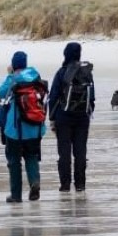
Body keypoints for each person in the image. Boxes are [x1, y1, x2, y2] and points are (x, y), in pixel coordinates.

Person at [0, 51, 46, 203]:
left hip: (15, 130)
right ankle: (34, 182)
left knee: (14, 161)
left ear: (14, 64)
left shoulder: (14, 79)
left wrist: (10, 75)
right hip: (35, 128)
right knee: (31, 157)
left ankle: (16, 195)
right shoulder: (35, 77)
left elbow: (0, 92)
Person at [48, 42, 95, 192]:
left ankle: (65, 184)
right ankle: (80, 184)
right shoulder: (86, 72)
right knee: (80, 152)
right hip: (82, 118)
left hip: (63, 118)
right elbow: (92, 98)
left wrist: (52, 118)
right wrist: (87, 112)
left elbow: (53, 96)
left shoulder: (62, 72)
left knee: (64, 152)